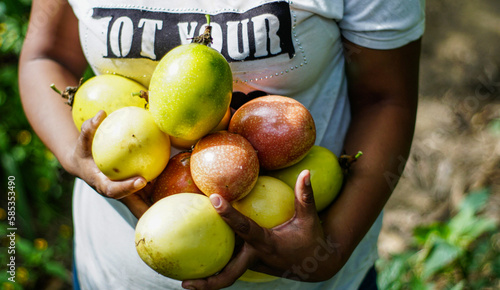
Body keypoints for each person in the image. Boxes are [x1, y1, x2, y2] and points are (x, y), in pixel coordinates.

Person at [19, 0, 425, 289]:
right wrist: (76, 156)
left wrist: (330, 252)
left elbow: (386, 99)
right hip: (109, 273)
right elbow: (44, 54)